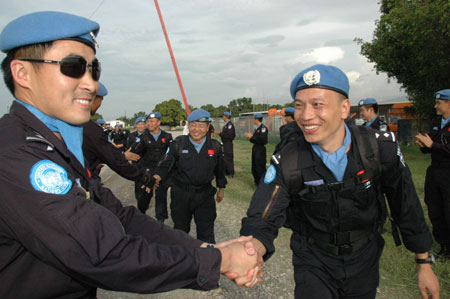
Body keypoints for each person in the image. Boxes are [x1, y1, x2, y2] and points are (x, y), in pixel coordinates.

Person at [0, 11, 262, 297]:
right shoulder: (16, 153)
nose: (91, 83)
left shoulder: (55, 143)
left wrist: (204, 249)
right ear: (22, 73)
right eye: (73, 67)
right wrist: (219, 260)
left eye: (94, 70)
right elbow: (103, 252)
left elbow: (122, 218)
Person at [240, 64, 440, 298]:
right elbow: (263, 213)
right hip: (313, 258)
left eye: (317, 104)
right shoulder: (289, 159)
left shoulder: (377, 149)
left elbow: (406, 204)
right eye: (299, 105)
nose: (305, 116)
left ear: (344, 108)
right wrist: (252, 249)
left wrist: (424, 262)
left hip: (365, 257)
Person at [153, 109, 227, 243]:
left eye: (201, 125)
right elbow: (165, 164)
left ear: (208, 127)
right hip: (181, 195)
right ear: (188, 126)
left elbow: (220, 170)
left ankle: (207, 261)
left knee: (207, 233)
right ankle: (181, 260)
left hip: (205, 196)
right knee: (180, 232)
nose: (196, 129)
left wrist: (221, 188)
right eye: (193, 125)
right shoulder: (178, 144)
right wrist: (157, 176)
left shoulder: (216, 147)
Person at [416, 89, 450, 260]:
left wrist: (433, 145)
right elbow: (430, 145)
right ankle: (443, 245)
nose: (435, 106)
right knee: (435, 207)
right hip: (435, 171)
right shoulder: (438, 123)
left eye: (439, 103)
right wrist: (423, 145)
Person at [82, 82, 142, 177]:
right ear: (93, 99)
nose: (99, 105)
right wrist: (145, 179)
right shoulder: (91, 129)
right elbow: (114, 160)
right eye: (100, 100)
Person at [133, 112, 173, 220]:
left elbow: (170, 154)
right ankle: (141, 215)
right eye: (148, 121)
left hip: (161, 171)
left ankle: (161, 220)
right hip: (147, 171)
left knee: (161, 196)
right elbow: (134, 154)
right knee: (145, 196)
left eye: (152, 121)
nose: (149, 123)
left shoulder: (167, 136)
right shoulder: (143, 137)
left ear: (158, 122)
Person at [244, 113, 268, 185]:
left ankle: (262, 183)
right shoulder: (257, 128)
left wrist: (251, 137)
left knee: (260, 166)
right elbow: (253, 140)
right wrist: (251, 137)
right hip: (255, 148)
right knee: (254, 166)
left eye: (254, 119)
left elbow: (263, 140)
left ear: (257, 119)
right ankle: (257, 181)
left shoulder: (263, 128)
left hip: (260, 149)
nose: (253, 120)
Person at [216, 111, 236, 177]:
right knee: (224, 157)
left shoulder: (229, 125)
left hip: (228, 143)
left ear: (226, 117)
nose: (223, 117)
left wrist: (220, 133)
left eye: (224, 116)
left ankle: (231, 172)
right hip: (225, 143)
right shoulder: (226, 125)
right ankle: (226, 171)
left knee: (228, 157)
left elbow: (229, 135)